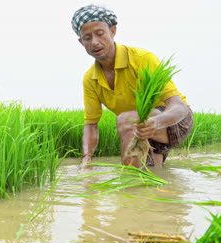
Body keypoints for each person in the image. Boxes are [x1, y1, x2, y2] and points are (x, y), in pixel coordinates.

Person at [71, 5, 194, 168]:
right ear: (81, 42)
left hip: (173, 121)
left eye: (100, 34)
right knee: (152, 172)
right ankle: (138, 187)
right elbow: (91, 124)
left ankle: (129, 179)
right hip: (140, 128)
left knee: (126, 121)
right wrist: (87, 158)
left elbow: (179, 107)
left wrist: (156, 123)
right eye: (87, 38)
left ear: (113, 31)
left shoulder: (142, 59)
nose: (94, 42)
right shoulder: (90, 79)